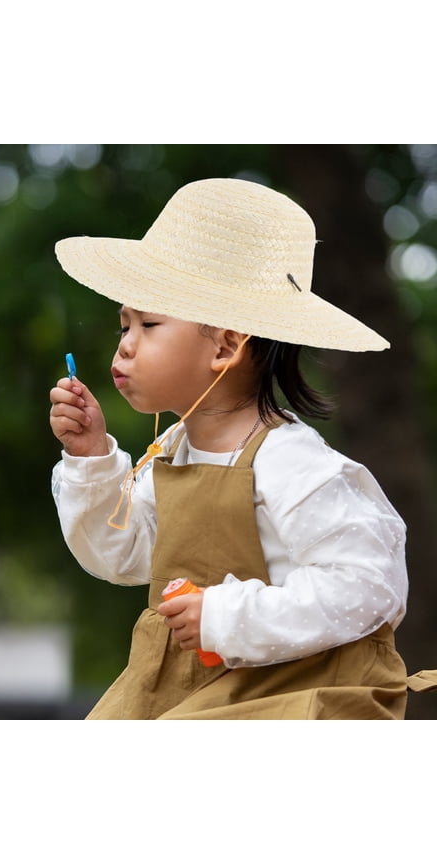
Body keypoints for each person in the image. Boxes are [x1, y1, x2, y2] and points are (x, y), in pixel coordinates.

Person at [49, 177, 436, 720]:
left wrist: (226, 616)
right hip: (183, 689)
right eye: (123, 325)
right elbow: (125, 557)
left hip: (290, 693)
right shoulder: (173, 452)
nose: (125, 345)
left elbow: (369, 585)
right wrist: (90, 457)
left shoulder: (291, 463)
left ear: (227, 346)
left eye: (149, 324)